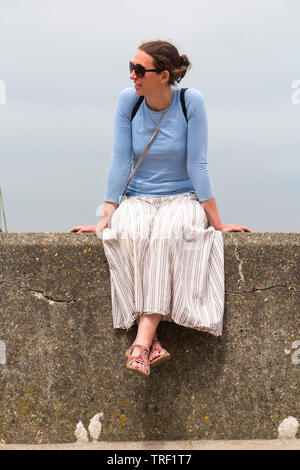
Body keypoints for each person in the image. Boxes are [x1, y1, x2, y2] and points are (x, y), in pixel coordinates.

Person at [69, 40, 253, 377]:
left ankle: (139, 343)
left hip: (182, 197)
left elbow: (198, 164)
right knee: (127, 233)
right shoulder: (129, 102)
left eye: (140, 70)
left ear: (164, 75)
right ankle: (150, 342)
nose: (132, 76)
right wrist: (107, 214)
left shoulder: (189, 102)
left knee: (169, 233)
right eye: (131, 67)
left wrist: (218, 222)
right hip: (137, 198)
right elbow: (120, 160)